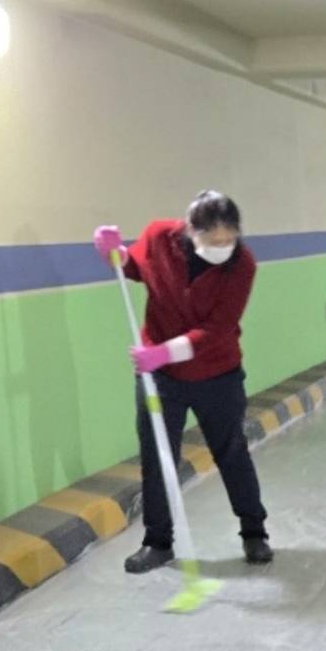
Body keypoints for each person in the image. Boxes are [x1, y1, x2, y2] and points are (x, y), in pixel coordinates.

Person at [118, 191, 272, 571]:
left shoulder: (243, 266)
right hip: (161, 379)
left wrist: (164, 351)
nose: (222, 248)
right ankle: (158, 542)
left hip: (217, 374)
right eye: (213, 241)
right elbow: (134, 269)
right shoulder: (158, 238)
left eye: (229, 240)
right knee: (157, 458)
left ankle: (254, 534)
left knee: (231, 453)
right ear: (191, 231)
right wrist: (115, 253)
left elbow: (217, 329)